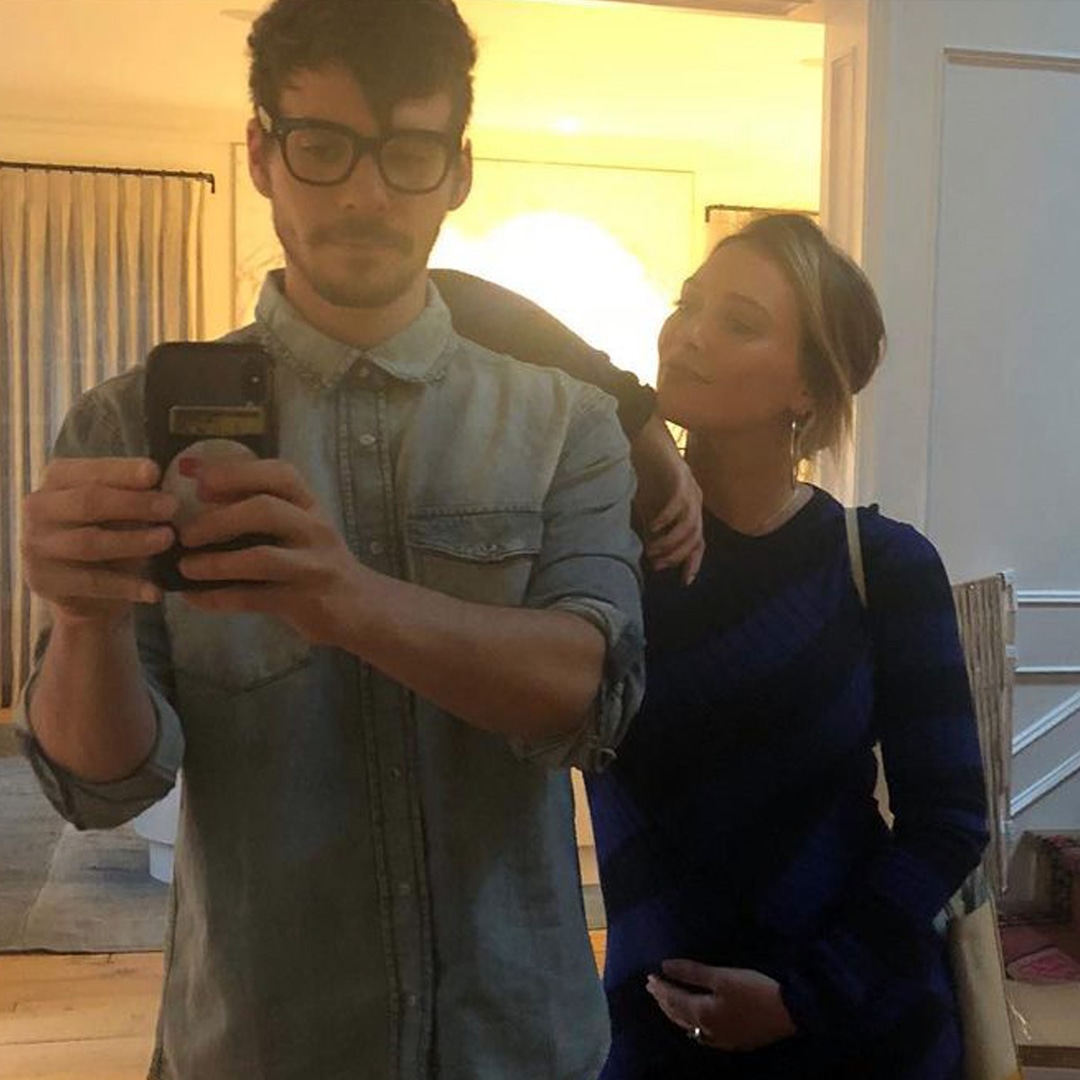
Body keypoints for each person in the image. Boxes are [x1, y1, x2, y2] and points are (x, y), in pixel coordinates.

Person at [14, 2, 690, 1076]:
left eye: (408, 152)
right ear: (261, 154)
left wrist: (345, 601)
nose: (367, 193)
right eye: (323, 145)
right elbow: (105, 788)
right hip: (257, 1046)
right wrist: (85, 621)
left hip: (516, 1046)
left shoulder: (565, 424)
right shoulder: (123, 425)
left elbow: (589, 701)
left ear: (458, 171)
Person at [482, 213, 989, 1078]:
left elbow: (948, 820)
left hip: (862, 1029)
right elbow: (458, 305)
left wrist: (804, 997)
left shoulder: (881, 564)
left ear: (808, 390)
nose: (690, 334)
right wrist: (638, 422)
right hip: (654, 1028)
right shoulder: (602, 553)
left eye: (739, 323)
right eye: (689, 305)